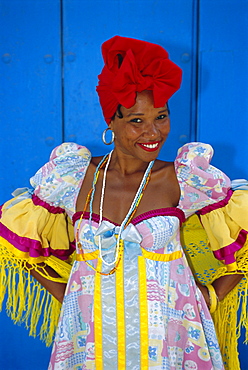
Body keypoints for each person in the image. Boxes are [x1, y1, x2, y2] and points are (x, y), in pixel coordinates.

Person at [0, 35, 247, 370]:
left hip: (170, 338)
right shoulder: (75, 176)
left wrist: (212, 295)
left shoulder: (182, 177)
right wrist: (71, 295)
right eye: (136, 120)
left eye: (161, 117)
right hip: (90, 341)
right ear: (111, 123)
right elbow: (19, 239)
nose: (153, 132)